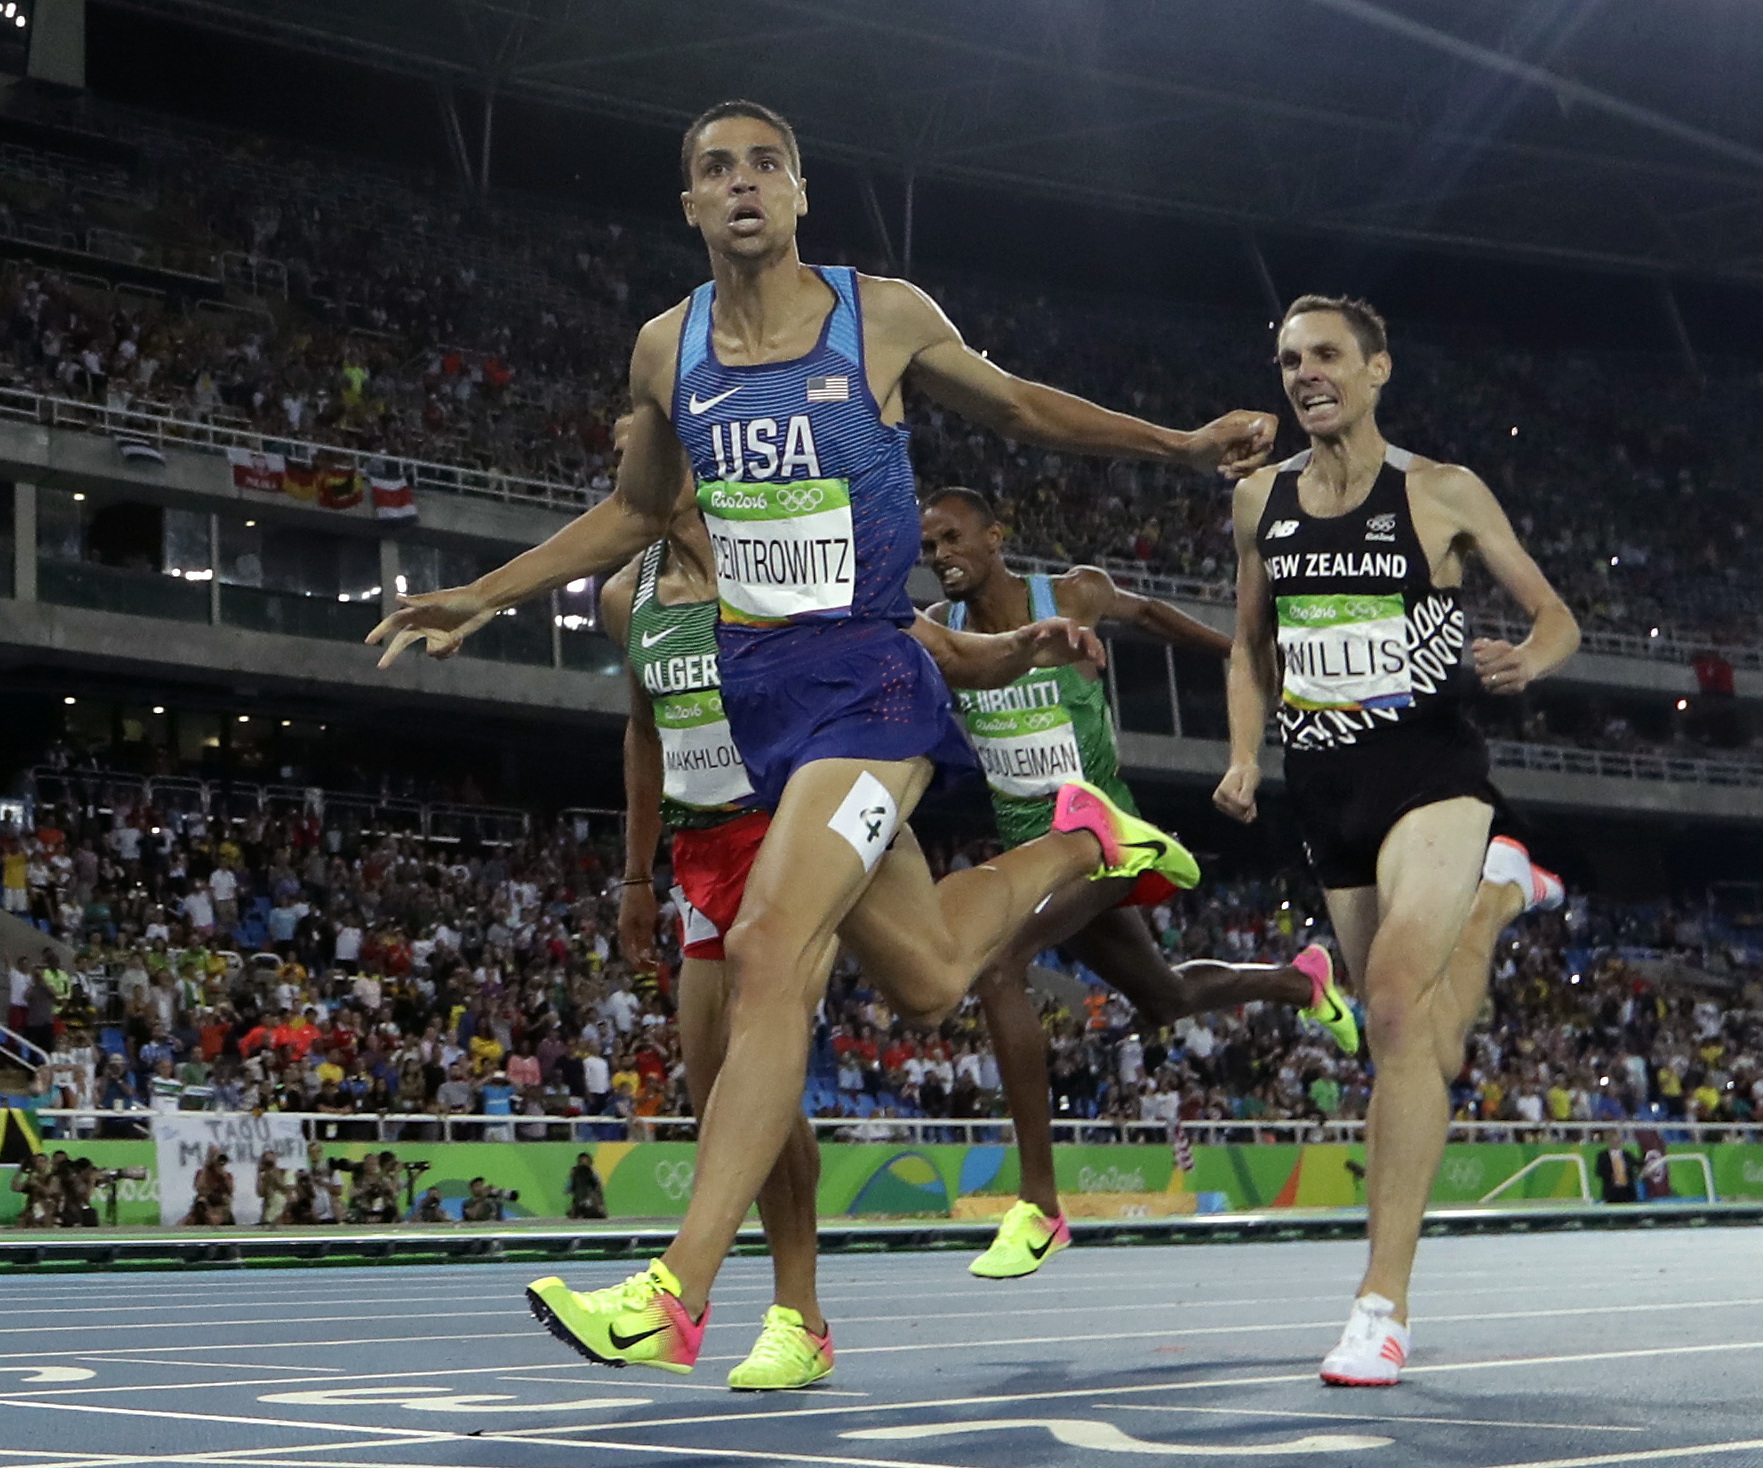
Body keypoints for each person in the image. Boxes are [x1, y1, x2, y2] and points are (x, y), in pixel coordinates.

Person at [368, 97, 1273, 1378]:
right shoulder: (664, 348)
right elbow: (632, 513)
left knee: (767, 946)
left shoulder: (878, 315)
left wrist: (1178, 444)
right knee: (928, 976)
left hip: (874, 682)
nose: (741, 183)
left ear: (799, 194)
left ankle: (676, 1295)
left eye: (765, 165)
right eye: (715, 168)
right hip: (761, 705)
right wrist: (482, 592)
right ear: (689, 203)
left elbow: (1018, 409)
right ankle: (1083, 837)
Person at [594, 468, 1115, 1388]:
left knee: (766, 1042)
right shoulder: (621, 596)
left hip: (798, 817)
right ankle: (1082, 840)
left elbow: (933, 648)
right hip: (701, 845)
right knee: (780, 1061)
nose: (630, 475)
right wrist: (638, 873)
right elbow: (644, 730)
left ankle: (757, 1309)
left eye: (647, 452)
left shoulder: (784, 559)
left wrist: (1022, 646)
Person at [1215, 294, 1575, 1387]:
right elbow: (1248, 647)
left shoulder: (1440, 491)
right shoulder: (1258, 500)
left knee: (1388, 1002)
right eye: (1289, 360)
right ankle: (1499, 895)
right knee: (1416, 1043)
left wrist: (1529, 660)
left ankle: (1381, 1304)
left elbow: (1556, 616)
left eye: (1326, 354)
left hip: (1429, 772)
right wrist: (1243, 755)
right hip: (1323, 785)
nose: (1305, 374)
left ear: (1376, 369)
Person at [919, 485, 1358, 1277]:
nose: (940, 556)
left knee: (999, 967)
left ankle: (1040, 1206)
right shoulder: (943, 634)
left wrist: (1241, 653)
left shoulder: (1071, 595)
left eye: (952, 538)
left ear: (995, 536)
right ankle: (1300, 981)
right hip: (1030, 854)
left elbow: (1149, 613)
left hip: (1100, 839)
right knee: (1164, 998)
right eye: (929, 548)